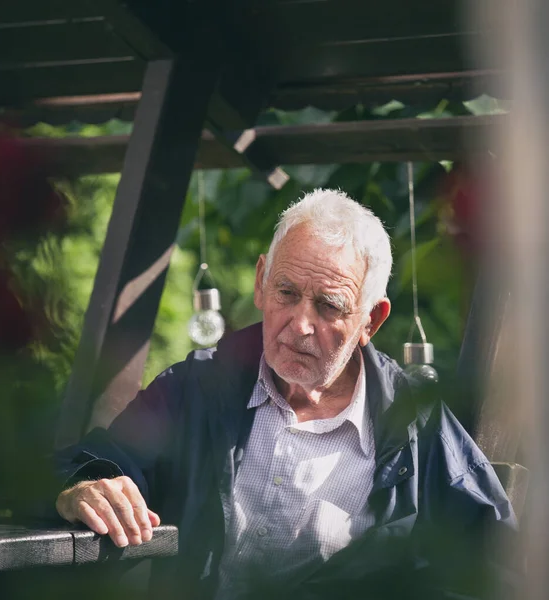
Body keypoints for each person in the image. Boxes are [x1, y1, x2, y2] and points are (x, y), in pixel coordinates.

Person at [55, 189, 517, 600]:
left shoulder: (415, 423)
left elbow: (493, 561)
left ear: (370, 322)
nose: (299, 324)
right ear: (261, 282)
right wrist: (82, 487)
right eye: (287, 291)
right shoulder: (197, 389)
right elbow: (83, 464)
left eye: (328, 305)